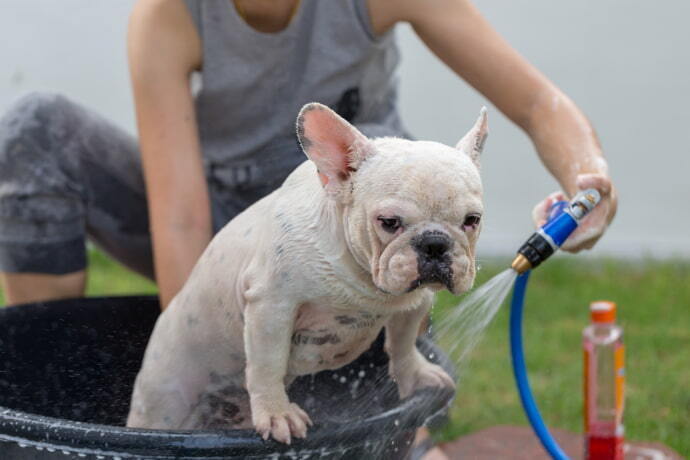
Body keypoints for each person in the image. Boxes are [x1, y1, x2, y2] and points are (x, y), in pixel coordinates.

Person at [0, 0, 617, 457]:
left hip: (368, 225)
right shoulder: (170, 13)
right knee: (38, 128)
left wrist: (589, 180)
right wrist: (220, 376)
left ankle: (399, 408)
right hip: (229, 222)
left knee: (403, 242)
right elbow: (182, 215)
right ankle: (52, 385)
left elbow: (537, 104)